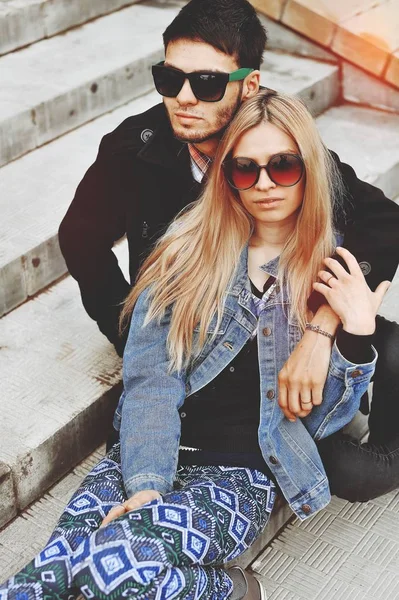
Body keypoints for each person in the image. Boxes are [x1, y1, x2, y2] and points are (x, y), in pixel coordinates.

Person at [1, 88, 386, 600]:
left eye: (283, 166)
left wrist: (355, 336)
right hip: (145, 451)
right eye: (245, 169)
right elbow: (150, 384)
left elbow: (319, 423)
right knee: (40, 581)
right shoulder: (185, 250)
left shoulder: (330, 271)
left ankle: (229, 589)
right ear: (227, 178)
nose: (264, 184)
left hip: (241, 474)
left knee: (114, 572)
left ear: (310, 169)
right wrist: (146, 487)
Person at [58, 0, 399, 501]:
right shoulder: (133, 150)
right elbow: (80, 239)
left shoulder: (278, 141)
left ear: (250, 85)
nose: (185, 98)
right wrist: (130, 329)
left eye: (207, 83)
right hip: (194, 336)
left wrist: (323, 328)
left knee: (383, 373)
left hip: (279, 326)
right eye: (170, 79)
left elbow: (383, 220)